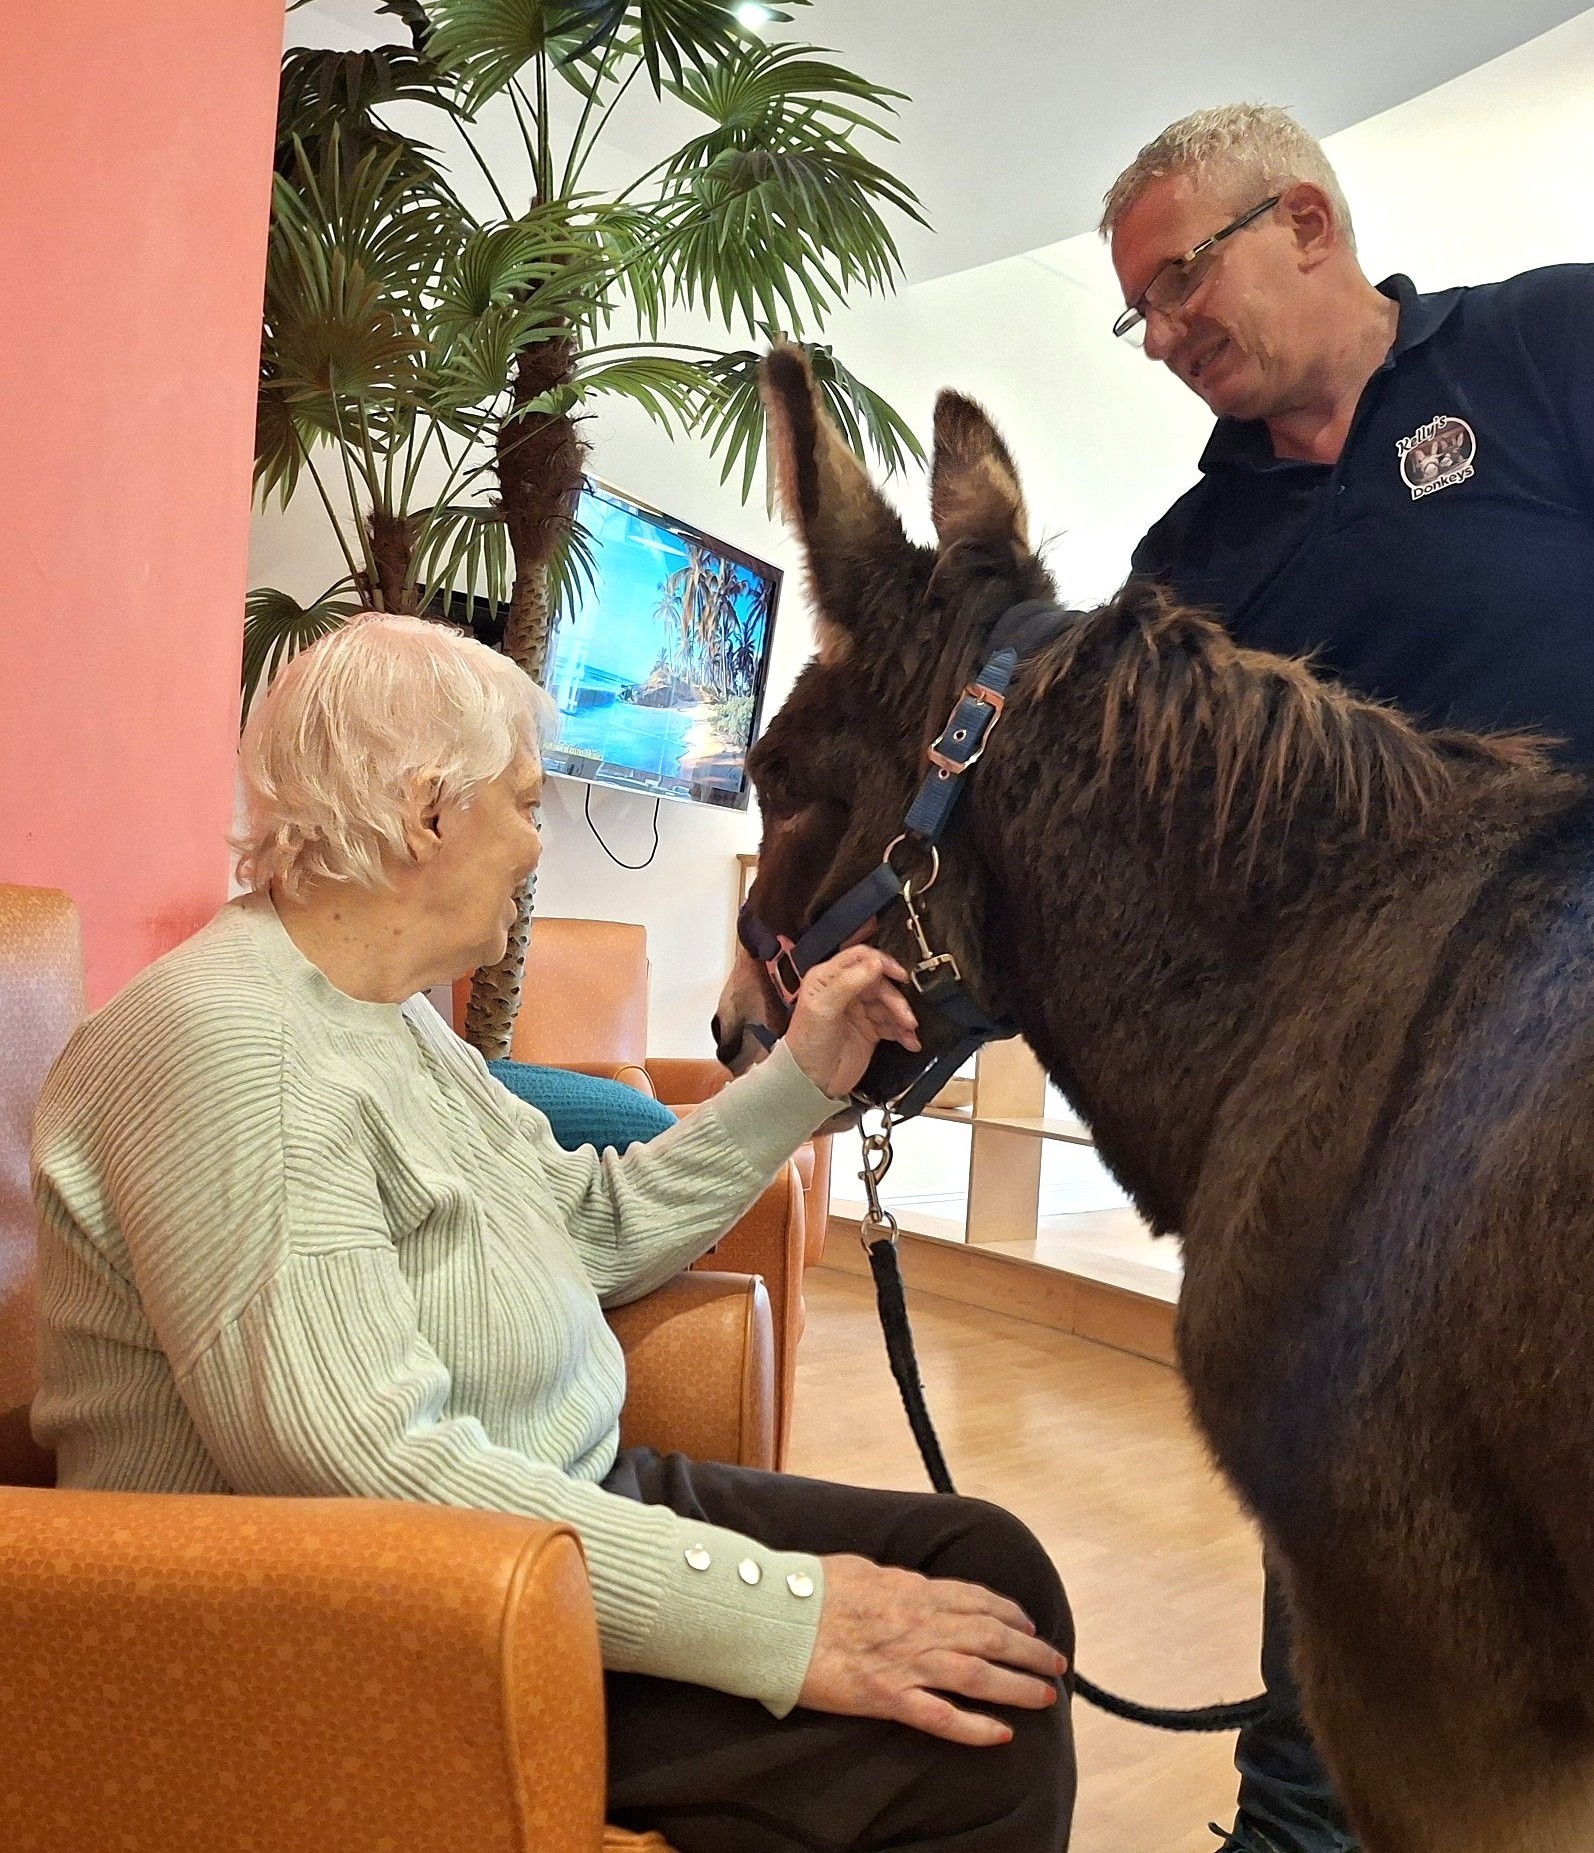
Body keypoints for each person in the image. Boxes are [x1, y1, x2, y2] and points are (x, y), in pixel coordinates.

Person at [30, 615, 1076, 1853]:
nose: (538, 843)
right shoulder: (233, 1051)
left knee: (985, 1564)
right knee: (963, 1733)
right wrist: (793, 1617)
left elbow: (592, 1221)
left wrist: (805, 1075)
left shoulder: (386, 1017)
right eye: (526, 804)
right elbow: (366, 1467)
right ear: (428, 812)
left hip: (543, 1516)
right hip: (366, 1624)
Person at [1100, 102, 1594, 1852]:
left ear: (1301, 220)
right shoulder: (1182, 568)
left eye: (1178, 281)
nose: (1163, 333)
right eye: (1139, 313)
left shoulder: (1541, 345)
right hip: (1361, 1141)